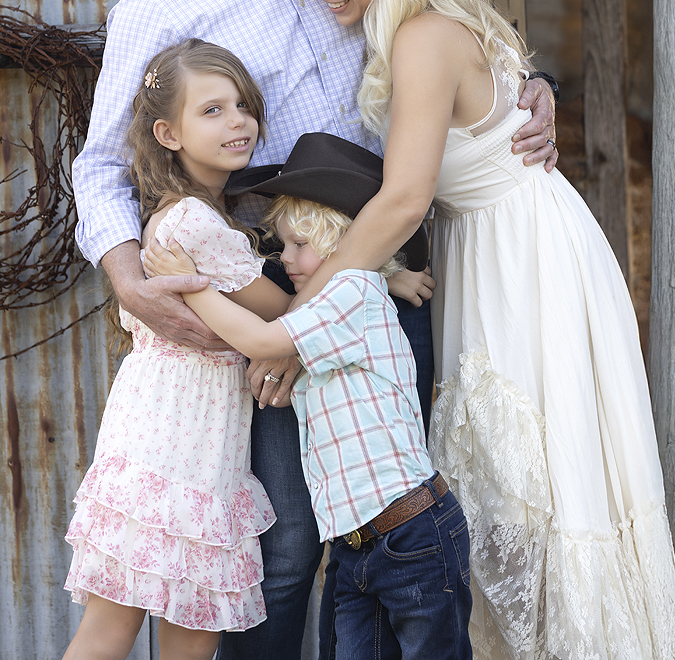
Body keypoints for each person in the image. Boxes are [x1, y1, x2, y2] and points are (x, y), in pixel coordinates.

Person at [71, 0, 558, 659]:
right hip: (277, 284)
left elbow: (439, 23)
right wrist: (127, 274)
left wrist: (526, 87)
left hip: (393, 274)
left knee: (396, 529)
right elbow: (99, 167)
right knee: (288, 549)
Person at [274, 0, 675, 659]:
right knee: (513, 487)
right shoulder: (439, 20)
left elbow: (401, 200)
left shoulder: (423, 37)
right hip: (508, 246)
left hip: (521, 266)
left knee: (528, 484)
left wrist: (303, 320)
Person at [144, 131, 474, 660]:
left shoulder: (349, 295)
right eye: (283, 245)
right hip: (357, 546)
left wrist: (192, 285)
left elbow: (261, 339)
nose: (288, 258)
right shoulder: (347, 300)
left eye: (301, 245)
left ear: (344, 245)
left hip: (412, 536)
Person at [63, 40, 290, 660]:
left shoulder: (187, 215)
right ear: (167, 133)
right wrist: (377, 274)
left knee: (180, 629)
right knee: (139, 631)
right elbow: (286, 312)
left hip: (179, 431)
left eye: (243, 105)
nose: (238, 121)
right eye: (212, 111)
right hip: (178, 440)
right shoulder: (193, 223)